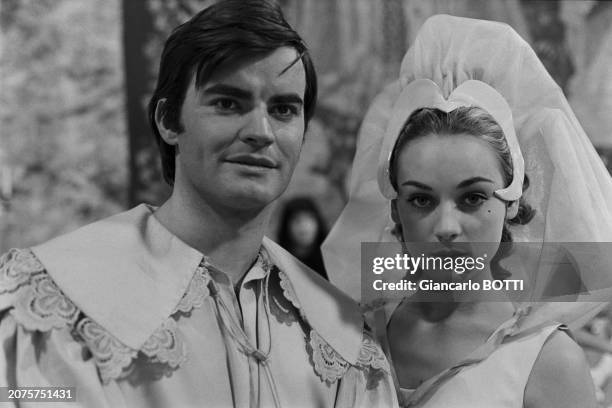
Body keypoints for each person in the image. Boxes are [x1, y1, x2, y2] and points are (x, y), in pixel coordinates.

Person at [0, 1, 397, 407]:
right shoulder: (54, 304)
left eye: (283, 109)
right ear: (169, 121)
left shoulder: (343, 341)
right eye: (228, 103)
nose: (261, 132)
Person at [323, 15, 612, 408]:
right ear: (395, 209)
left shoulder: (546, 362)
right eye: (421, 200)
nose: (446, 227)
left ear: (512, 202)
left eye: (472, 197)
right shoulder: (354, 338)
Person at [277, 196, 328, 279]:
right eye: (297, 220)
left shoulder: (330, 260)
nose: (304, 225)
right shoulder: (278, 262)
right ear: (286, 226)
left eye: (309, 218)